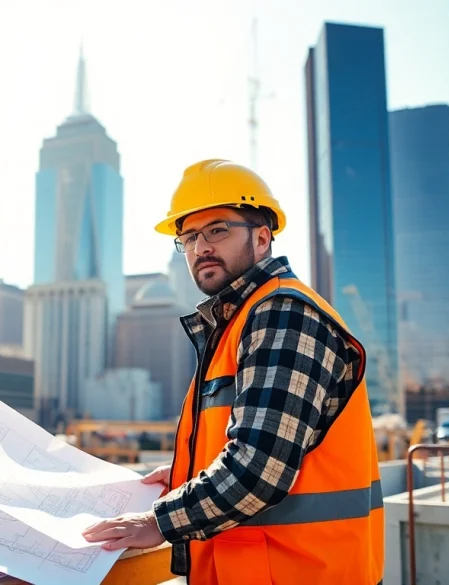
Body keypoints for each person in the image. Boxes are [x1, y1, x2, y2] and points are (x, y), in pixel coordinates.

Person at [81, 160, 384, 584]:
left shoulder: (283, 313)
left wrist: (157, 522)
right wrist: (189, 469)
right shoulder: (240, 320)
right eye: (187, 237)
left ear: (262, 238)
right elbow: (264, 440)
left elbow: (259, 467)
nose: (200, 246)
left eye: (218, 230)